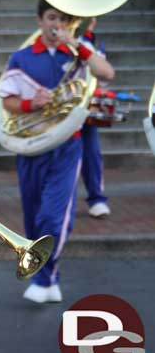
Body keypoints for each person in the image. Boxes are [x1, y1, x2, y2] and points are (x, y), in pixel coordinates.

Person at [0, 0, 114, 303]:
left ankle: (43, 278)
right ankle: (50, 279)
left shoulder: (79, 55)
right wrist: (30, 104)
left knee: (54, 215)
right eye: (51, 18)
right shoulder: (22, 57)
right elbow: (6, 101)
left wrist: (77, 43)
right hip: (30, 147)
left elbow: (107, 73)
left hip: (66, 145)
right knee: (34, 218)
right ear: (39, 20)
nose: (57, 25)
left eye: (63, 20)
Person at [80, 18, 111, 218]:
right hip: (61, 108)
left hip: (86, 107)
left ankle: (96, 198)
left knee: (91, 153)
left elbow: (103, 74)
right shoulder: (64, 40)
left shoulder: (94, 43)